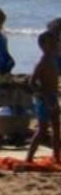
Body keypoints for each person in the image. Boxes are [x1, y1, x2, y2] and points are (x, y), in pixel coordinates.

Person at [29, 30, 60, 165]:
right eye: (51, 42)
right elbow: (32, 82)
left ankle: (56, 156)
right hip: (44, 99)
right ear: (43, 45)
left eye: (56, 42)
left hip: (53, 97)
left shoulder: (54, 60)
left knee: (57, 127)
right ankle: (29, 157)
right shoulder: (42, 62)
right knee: (42, 129)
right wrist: (43, 94)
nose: (55, 44)